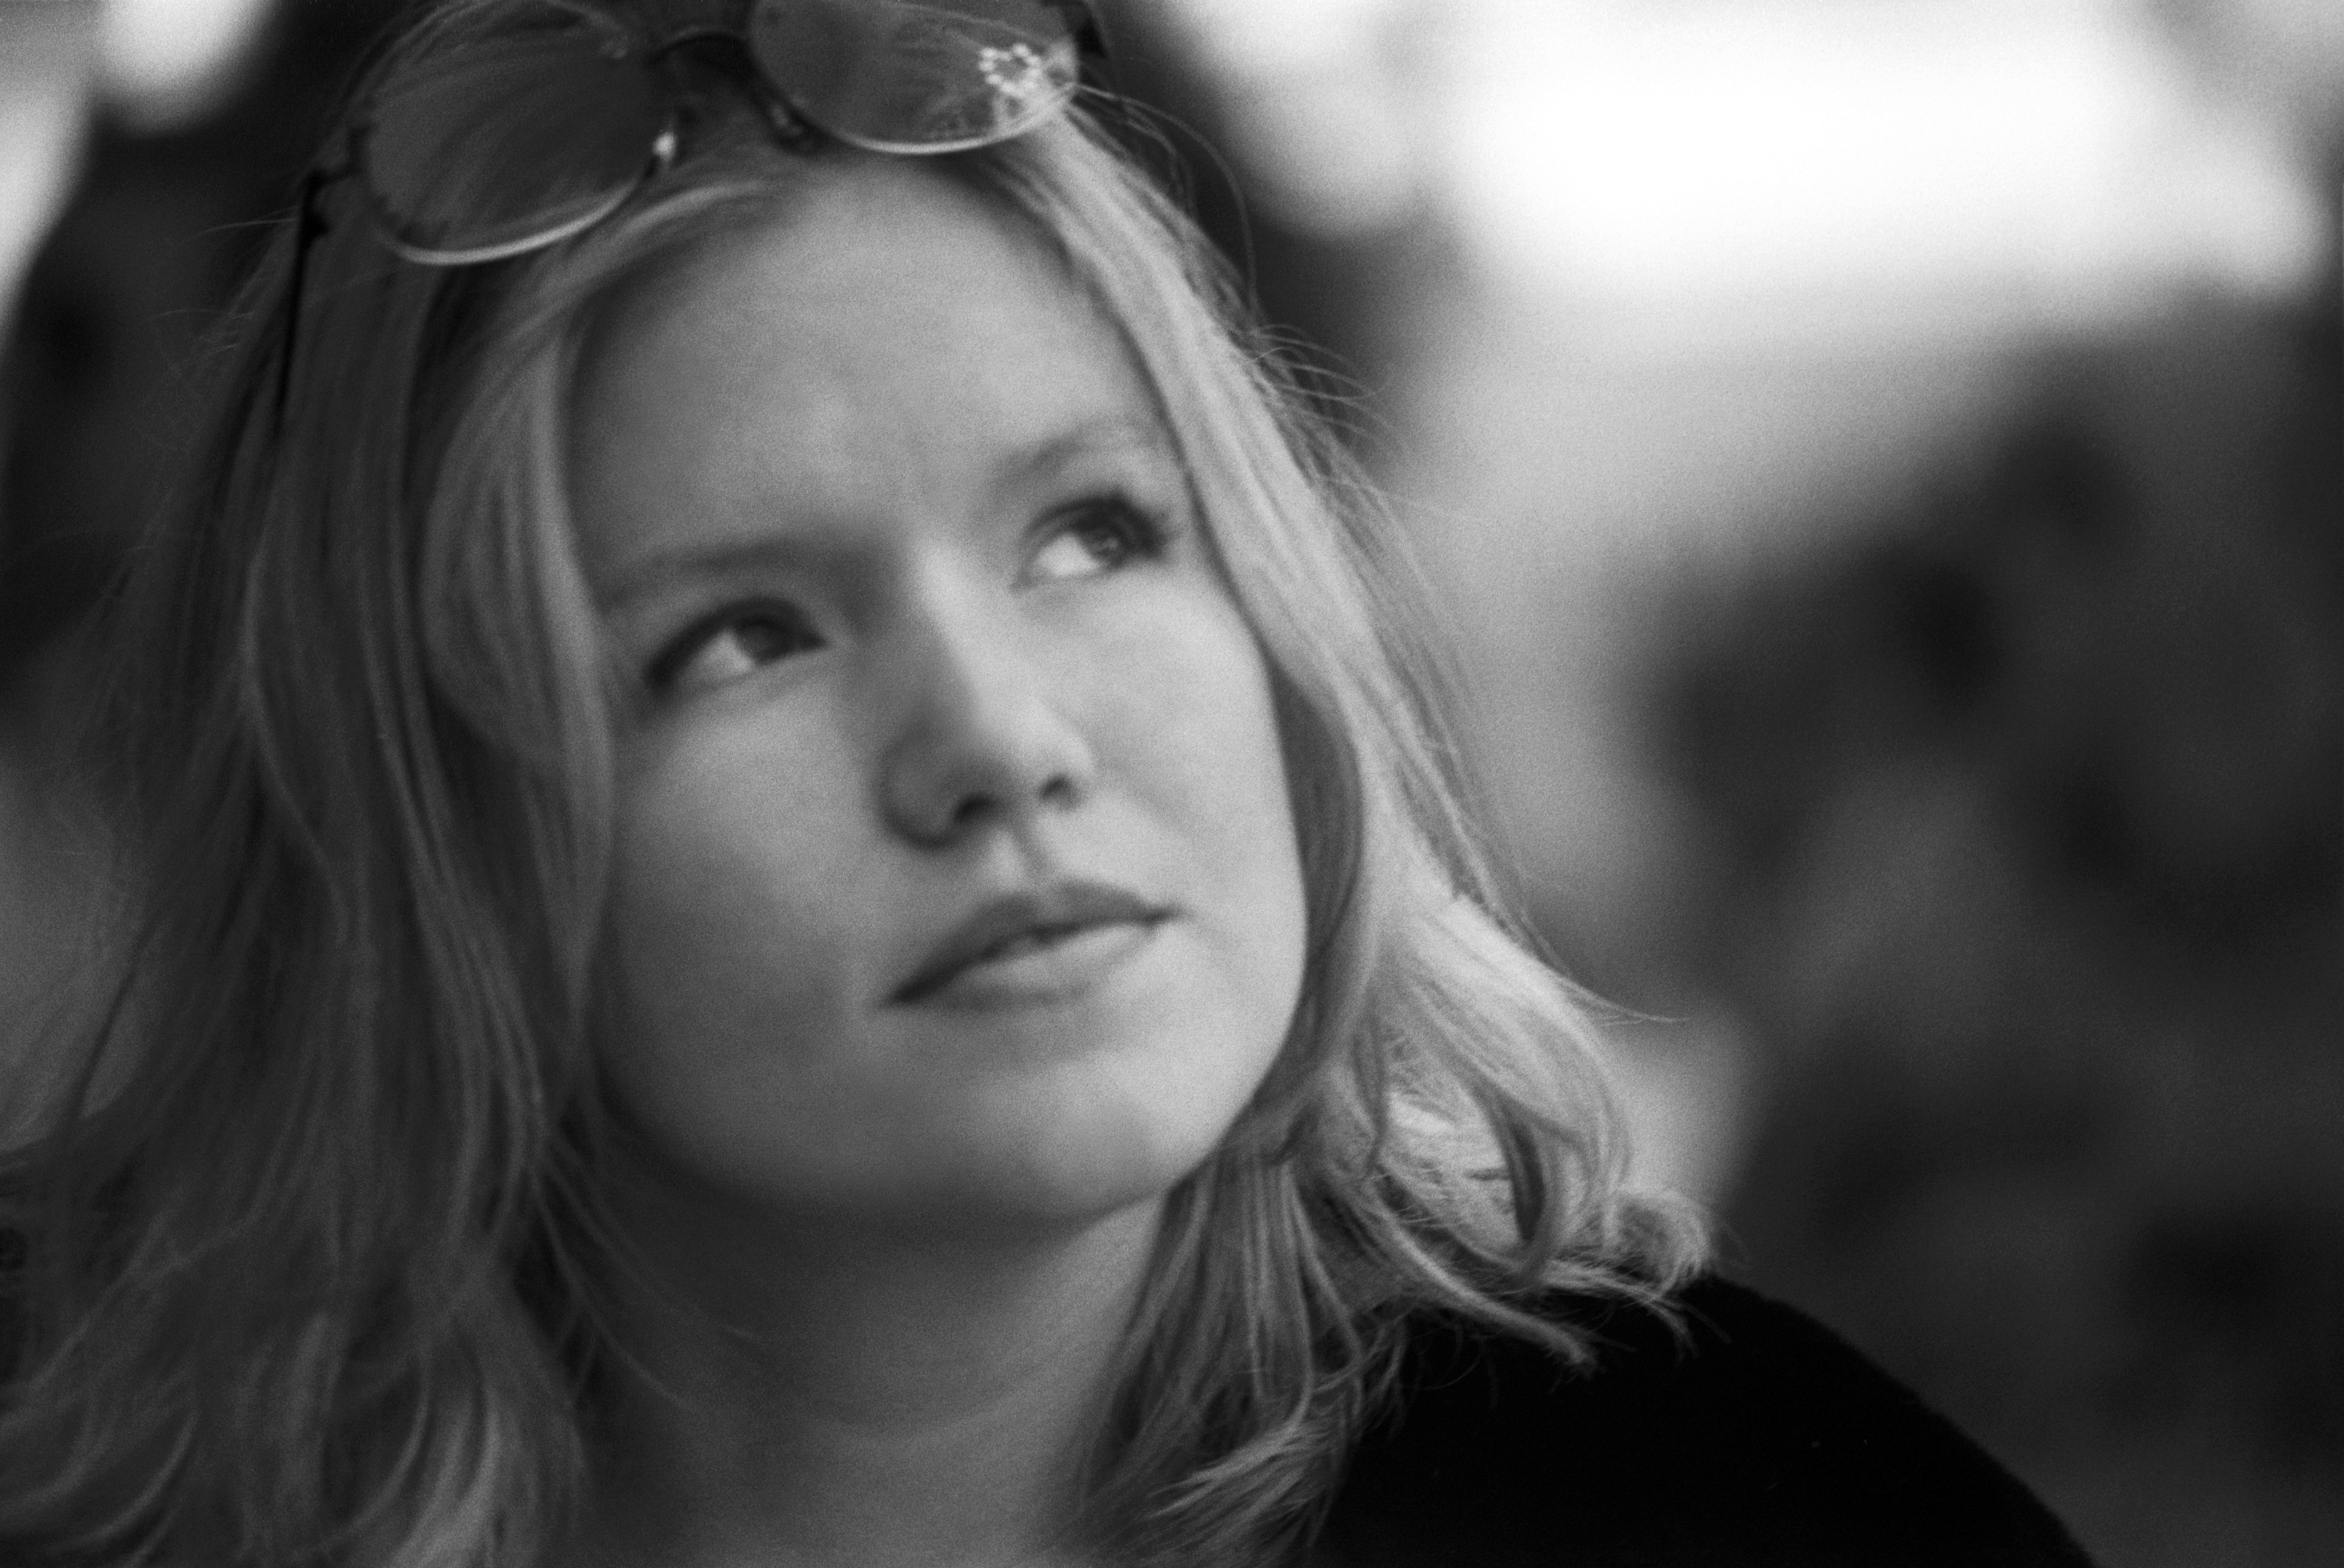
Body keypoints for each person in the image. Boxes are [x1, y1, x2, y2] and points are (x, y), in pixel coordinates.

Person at [0, 2, 2096, 1564]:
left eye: (1093, 535)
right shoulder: (93, 1480)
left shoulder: (1767, 1517)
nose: (999, 742)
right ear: (420, 828)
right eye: (740, 639)